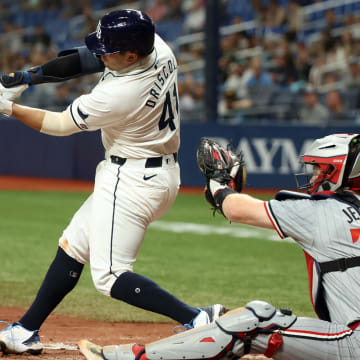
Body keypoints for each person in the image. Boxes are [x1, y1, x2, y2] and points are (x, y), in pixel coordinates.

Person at [0, 9, 225, 355]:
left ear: (131, 55)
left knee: (109, 276)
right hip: (157, 173)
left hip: (132, 177)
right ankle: (26, 329)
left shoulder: (121, 93)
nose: (102, 54)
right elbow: (86, 60)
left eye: (110, 50)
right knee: (74, 244)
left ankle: (198, 318)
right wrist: (26, 78)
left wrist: (8, 108)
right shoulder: (160, 48)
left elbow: (60, 125)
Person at [79, 133, 360, 359]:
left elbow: (236, 209)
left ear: (337, 173)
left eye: (319, 170)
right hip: (349, 335)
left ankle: (138, 358)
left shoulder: (321, 211)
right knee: (248, 318)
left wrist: (218, 184)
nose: (312, 178)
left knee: (257, 319)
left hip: (353, 345)